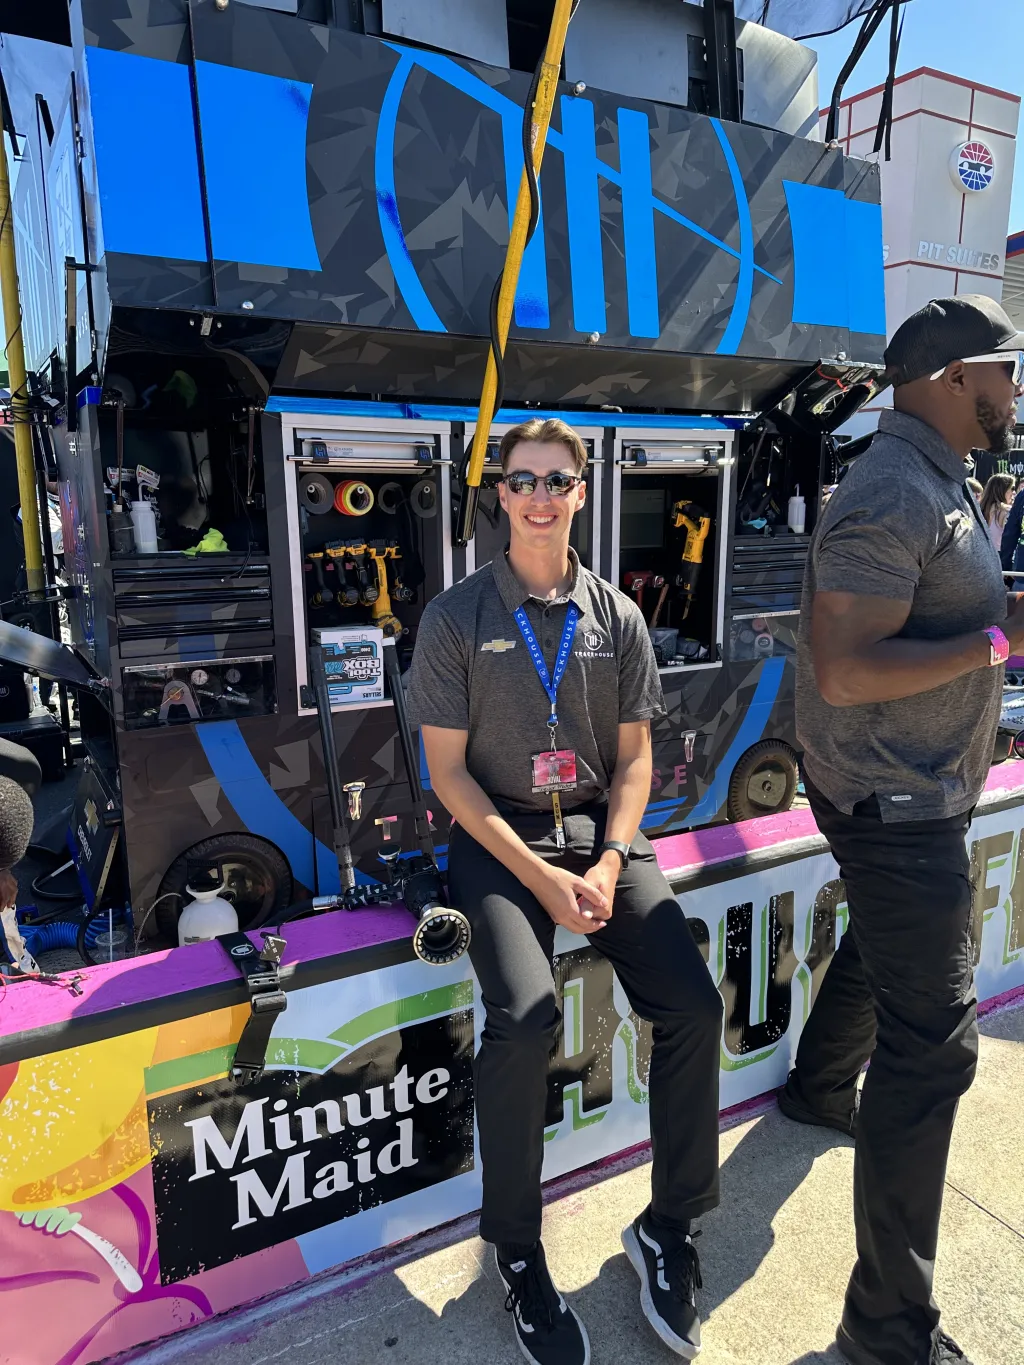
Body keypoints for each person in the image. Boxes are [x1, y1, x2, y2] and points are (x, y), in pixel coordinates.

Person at [406, 417, 723, 1365]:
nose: (540, 495)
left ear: (584, 492)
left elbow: (634, 760)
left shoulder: (617, 615)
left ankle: (668, 1224)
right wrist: (541, 876)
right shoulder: (455, 616)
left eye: (558, 480)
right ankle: (514, 1248)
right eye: (521, 480)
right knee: (527, 1014)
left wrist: (610, 861)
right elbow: (448, 778)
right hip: (496, 834)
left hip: (596, 833)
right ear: (499, 494)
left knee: (695, 1005)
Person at [779, 294, 1024, 1365]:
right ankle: (883, 1332)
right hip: (894, 802)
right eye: (1004, 373)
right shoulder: (888, 489)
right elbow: (842, 669)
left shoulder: (940, 479)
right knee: (935, 1054)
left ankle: (819, 1087)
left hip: (908, 790)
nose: (1014, 392)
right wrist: (992, 645)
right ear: (953, 377)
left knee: (889, 964)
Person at [979, 471, 1014, 550]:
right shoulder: (1007, 511)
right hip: (999, 556)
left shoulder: (979, 508)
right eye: (1012, 488)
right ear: (1002, 490)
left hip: (981, 554)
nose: (1013, 492)